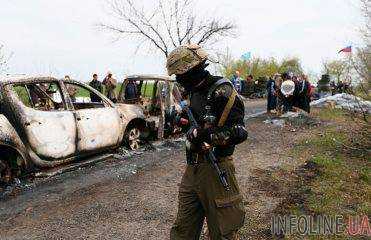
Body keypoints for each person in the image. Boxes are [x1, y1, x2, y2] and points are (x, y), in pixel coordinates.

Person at [167, 44, 247, 240]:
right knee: (182, 231)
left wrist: (207, 136)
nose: (178, 80)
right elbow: (194, 123)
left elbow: (239, 133)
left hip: (216, 167)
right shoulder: (194, 91)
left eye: (181, 75)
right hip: (192, 169)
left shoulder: (223, 91)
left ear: (194, 70)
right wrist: (183, 123)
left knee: (222, 232)